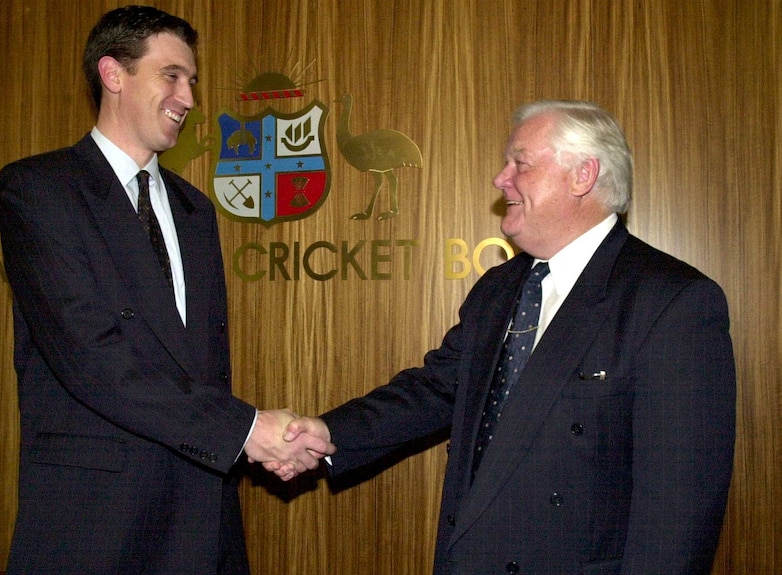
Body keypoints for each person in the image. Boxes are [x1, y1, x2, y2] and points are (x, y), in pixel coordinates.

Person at [283, 100, 736, 574]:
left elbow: (679, 511)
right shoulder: (499, 289)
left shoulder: (673, 302)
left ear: (583, 176)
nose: (501, 179)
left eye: (520, 163)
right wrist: (330, 433)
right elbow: (437, 389)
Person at [0, 6, 333, 574]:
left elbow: (199, 366)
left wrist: (251, 439)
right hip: (93, 523)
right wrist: (247, 430)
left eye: (193, 81)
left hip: (200, 515)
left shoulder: (194, 209)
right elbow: (92, 357)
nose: (189, 98)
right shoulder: (38, 190)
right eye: (171, 75)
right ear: (113, 74)